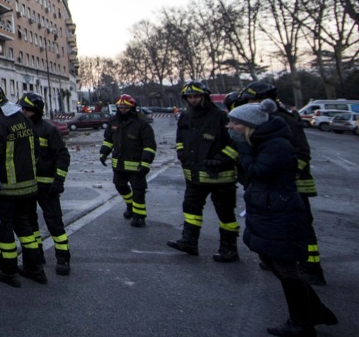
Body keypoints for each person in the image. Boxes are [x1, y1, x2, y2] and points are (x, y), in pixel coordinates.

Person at [227, 99, 337, 337]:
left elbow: (257, 172)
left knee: (285, 266)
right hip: (269, 208)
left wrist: (243, 149)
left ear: (249, 125)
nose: (230, 127)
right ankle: (315, 311)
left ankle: (301, 322)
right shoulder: (264, 142)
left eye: (235, 123)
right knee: (274, 260)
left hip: (278, 210)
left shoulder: (275, 145)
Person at [240, 81, 325, 286]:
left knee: (301, 227)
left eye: (252, 100)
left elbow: (302, 153)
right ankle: (279, 260)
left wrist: (288, 175)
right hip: (273, 186)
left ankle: (311, 267)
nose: (250, 104)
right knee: (276, 226)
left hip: (292, 186)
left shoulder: (284, 120)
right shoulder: (265, 120)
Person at [0, 82, 44, 286]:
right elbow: (36, 149)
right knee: (24, 227)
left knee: (4, 231)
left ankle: (8, 270)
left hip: (5, 189)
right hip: (28, 187)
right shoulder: (22, 117)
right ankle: (34, 268)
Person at [168, 81, 240, 261]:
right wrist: (182, 154)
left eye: (196, 96)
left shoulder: (220, 117)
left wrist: (221, 159)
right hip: (194, 175)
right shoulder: (185, 116)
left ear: (204, 96)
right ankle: (189, 242)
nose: (193, 100)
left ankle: (229, 248)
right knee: (191, 208)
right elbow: (180, 139)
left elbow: (235, 143)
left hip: (220, 177)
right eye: (190, 97)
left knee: (225, 213)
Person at [20, 92, 73, 276]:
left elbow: (63, 156)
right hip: (28, 186)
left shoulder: (49, 130)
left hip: (47, 186)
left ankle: (63, 258)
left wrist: (59, 180)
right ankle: (36, 255)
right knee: (30, 223)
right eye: (22, 109)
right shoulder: (22, 129)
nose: (23, 112)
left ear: (36, 111)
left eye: (26, 109)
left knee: (54, 223)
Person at [100, 94, 156, 227]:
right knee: (119, 185)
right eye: (120, 107)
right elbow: (108, 140)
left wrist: (146, 162)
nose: (123, 109)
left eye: (126, 107)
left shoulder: (141, 123)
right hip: (119, 163)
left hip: (136, 165)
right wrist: (104, 153)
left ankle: (139, 216)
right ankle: (130, 206)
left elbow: (149, 145)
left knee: (138, 190)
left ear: (132, 107)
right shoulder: (114, 121)